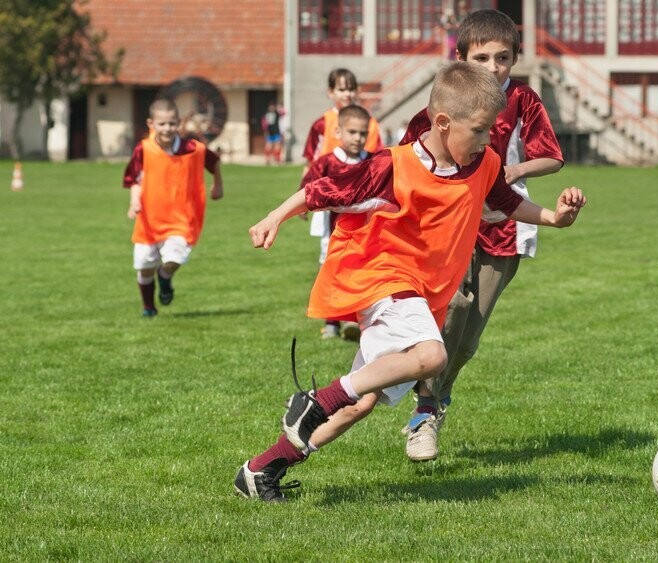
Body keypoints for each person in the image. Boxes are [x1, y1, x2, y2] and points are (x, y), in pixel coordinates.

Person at [233, 62, 586, 502]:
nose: (485, 140)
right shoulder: (393, 165)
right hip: (382, 276)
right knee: (431, 355)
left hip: (420, 297)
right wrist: (273, 217)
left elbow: (506, 202)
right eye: (478, 131)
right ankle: (315, 402)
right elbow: (325, 190)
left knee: (361, 403)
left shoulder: (485, 163)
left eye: (490, 131)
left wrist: (555, 217)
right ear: (442, 122)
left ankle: (261, 469)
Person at [399, 9, 566, 461]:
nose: (493, 68)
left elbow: (552, 156)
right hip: (451, 221)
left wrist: (510, 170)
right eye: (482, 58)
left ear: (514, 58)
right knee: (453, 305)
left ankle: (436, 399)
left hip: (506, 221)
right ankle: (424, 407)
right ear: (460, 58)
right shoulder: (442, 103)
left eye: (502, 58)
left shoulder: (525, 100)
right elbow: (407, 160)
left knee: (469, 338)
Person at [123, 98, 224, 317]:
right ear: (151, 124)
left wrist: (218, 185)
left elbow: (214, 161)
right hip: (149, 219)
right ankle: (149, 307)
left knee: (174, 260)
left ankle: (166, 276)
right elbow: (134, 179)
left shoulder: (193, 149)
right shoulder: (144, 149)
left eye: (171, 123)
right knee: (144, 266)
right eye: (162, 124)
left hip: (182, 218)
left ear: (178, 123)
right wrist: (134, 201)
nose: (167, 128)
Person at [302, 104, 375, 340]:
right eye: (352, 132)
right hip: (334, 229)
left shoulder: (374, 161)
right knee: (333, 271)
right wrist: (301, 209)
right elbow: (308, 187)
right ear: (338, 133)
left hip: (367, 230)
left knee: (362, 273)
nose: (358, 138)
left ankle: (357, 321)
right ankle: (331, 322)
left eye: (363, 133)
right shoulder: (327, 162)